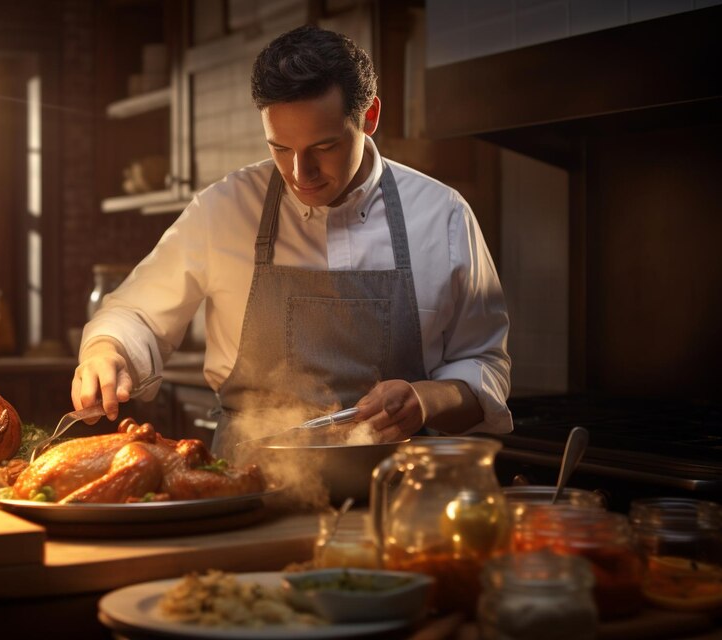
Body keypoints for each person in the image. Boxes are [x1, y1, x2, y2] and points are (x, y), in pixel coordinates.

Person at [72, 25, 512, 456]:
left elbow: (485, 365)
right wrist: (106, 350)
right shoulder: (223, 209)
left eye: (324, 147)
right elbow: (137, 313)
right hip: (247, 488)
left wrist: (424, 400)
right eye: (280, 148)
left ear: (370, 117)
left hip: (398, 492)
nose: (301, 174)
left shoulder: (442, 214)